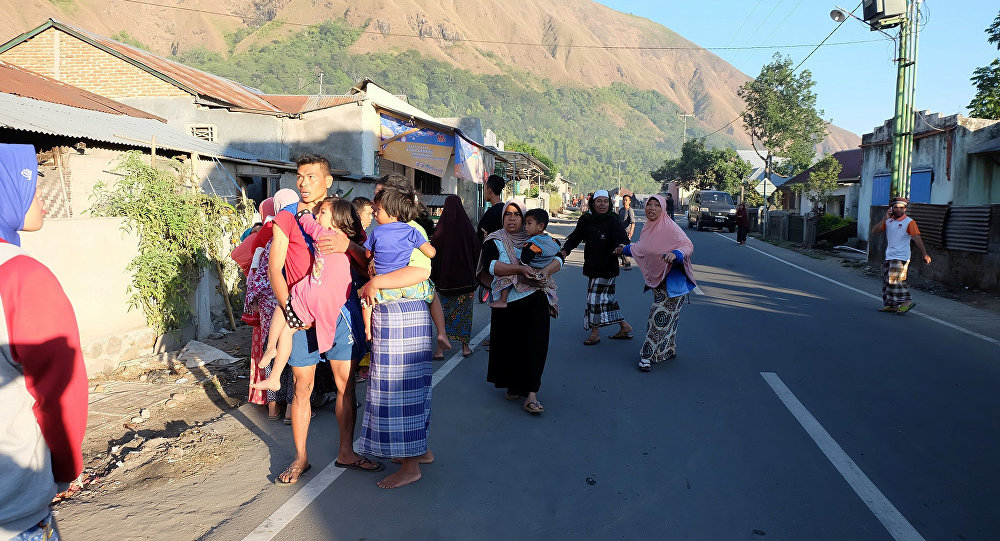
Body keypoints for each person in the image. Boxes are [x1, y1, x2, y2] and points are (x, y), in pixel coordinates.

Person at [269, 155, 382, 484]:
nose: (303, 183)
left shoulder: (342, 213)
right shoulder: (287, 217)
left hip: (341, 312)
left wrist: (348, 245)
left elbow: (368, 263)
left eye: (311, 176)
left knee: (346, 386)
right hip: (302, 314)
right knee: (302, 387)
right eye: (300, 176)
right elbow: (275, 269)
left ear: (328, 181)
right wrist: (289, 310)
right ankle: (300, 457)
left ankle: (347, 451)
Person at [1, 143, 88, 540]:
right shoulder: (21, 277)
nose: (42, 200)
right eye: (31, 187)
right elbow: (58, 390)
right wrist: (66, 468)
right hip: (13, 507)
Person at [355, 180, 439, 489]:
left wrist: (376, 282)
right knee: (406, 389)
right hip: (396, 316)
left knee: (400, 391)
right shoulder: (405, 231)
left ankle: (411, 465)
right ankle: (417, 452)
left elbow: (422, 271)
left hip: (402, 316)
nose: (374, 212)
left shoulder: (409, 229)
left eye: (377, 205)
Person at [251, 198, 353, 392]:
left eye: (323, 213)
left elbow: (310, 226)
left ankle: (272, 352)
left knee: (284, 311)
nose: (317, 216)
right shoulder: (345, 239)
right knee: (288, 328)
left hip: (311, 293)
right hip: (330, 301)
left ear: (337, 221)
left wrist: (304, 214)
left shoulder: (325, 235)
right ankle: (274, 373)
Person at [478, 199, 564, 414]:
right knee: (511, 348)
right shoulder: (495, 239)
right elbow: (490, 265)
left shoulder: (537, 238)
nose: (512, 218)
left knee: (536, 345)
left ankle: (532, 394)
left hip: (536, 298)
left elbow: (559, 257)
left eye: (517, 214)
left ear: (525, 218)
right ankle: (514, 385)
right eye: (508, 214)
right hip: (508, 304)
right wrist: (518, 269)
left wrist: (546, 272)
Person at [615, 195, 698, 372]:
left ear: (663, 209)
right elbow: (642, 248)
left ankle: (646, 356)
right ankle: (667, 350)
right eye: (649, 205)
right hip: (658, 282)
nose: (651, 208)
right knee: (669, 319)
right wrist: (625, 249)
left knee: (658, 317)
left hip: (674, 283)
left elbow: (687, 245)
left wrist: (676, 254)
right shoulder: (648, 228)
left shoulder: (671, 228)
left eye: (656, 205)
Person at [362, 187, 439, 342]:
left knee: (366, 300)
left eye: (379, 209)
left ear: (393, 213)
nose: (375, 213)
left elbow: (367, 255)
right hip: (410, 287)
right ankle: (441, 331)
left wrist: (374, 256)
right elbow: (431, 253)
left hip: (383, 290)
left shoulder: (377, 232)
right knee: (432, 293)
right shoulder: (412, 231)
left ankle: (368, 330)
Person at [560, 189, 634, 345]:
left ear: (609, 203)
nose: (602, 204)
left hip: (608, 265)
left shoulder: (613, 220)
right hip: (592, 265)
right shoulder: (586, 219)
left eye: (605, 201)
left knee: (593, 299)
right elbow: (575, 237)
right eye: (599, 201)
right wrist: (565, 250)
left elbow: (624, 240)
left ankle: (594, 333)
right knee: (606, 300)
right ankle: (624, 325)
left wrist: (620, 247)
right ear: (593, 203)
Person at [430, 194, 480, 358]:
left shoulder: (440, 230)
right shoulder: (467, 228)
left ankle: (439, 350)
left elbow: (433, 256)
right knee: (465, 315)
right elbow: (477, 252)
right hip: (465, 282)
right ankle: (465, 347)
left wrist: (435, 277)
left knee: (443, 315)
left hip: (445, 283)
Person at [489, 208, 559, 318]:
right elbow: (558, 252)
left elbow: (524, 261)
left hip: (532, 277)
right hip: (541, 278)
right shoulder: (552, 240)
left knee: (508, 276)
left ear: (540, 226)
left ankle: (502, 300)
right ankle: (552, 304)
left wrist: (518, 268)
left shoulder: (531, 243)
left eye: (529, 223)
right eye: (507, 214)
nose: (525, 227)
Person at [871, 197, 931, 314]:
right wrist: (885, 218)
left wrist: (924, 253)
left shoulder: (909, 222)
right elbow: (874, 231)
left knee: (895, 280)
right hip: (889, 255)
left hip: (901, 256)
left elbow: (916, 237)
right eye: (896, 207)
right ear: (891, 208)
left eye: (901, 207)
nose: (899, 209)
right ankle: (892, 305)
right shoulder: (888, 221)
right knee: (888, 281)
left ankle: (907, 301)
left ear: (905, 209)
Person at [477, 174, 506, 243]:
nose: (484, 193)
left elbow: (480, 236)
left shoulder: (490, 213)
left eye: (484, 189)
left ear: (489, 190)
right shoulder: (506, 209)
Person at [618, 194, 636, 270]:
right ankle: (623, 261)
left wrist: (631, 232)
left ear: (629, 201)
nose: (624, 201)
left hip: (627, 232)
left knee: (625, 248)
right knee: (619, 247)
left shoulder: (630, 211)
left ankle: (628, 264)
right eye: (623, 200)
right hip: (620, 232)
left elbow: (633, 222)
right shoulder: (621, 210)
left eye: (626, 200)